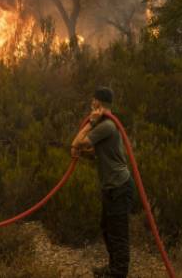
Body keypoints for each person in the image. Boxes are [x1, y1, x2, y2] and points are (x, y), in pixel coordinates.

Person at [71, 87, 135, 278]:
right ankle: (113, 268)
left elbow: (78, 142)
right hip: (111, 188)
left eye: (93, 101)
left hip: (119, 188)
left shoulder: (106, 126)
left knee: (118, 234)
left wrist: (90, 123)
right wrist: (81, 154)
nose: (91, 104)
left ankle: (119, 273)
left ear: (98, 103)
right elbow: (94, 153)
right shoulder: (104, 125)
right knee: (107, 229)